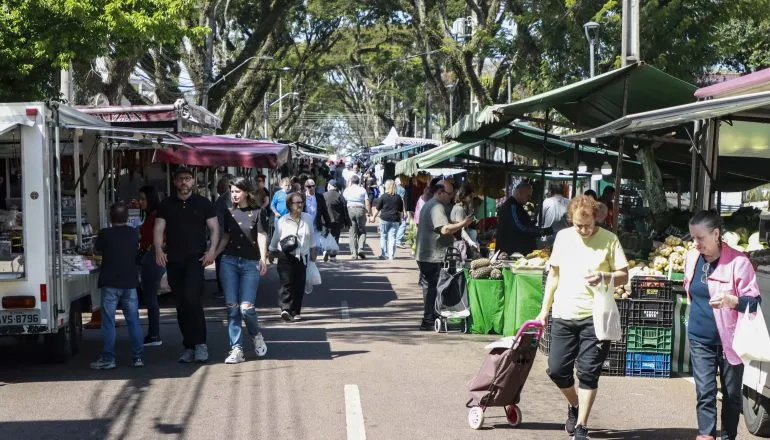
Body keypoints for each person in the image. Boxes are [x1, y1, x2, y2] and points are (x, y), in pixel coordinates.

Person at [535, 195, 629, 440]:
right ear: (571, 220)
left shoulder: (610, 240)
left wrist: (605, 277)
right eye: (578, 225)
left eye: (588, 225)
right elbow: (553, 276)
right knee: (557, 370)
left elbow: (624, 276)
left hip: (596, 316)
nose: (584, 230)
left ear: (596, 218)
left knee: (588, 372)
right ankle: (574, 405)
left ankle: (582, 426)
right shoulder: (563, 238)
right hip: (564, 313)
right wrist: (544, 310)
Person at [684, 210, 762, 440]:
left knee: (731, 395)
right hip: (700, 338)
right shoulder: (691, 258)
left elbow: (754, 302)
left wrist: (732, 300)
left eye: (700, 238)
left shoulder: (739, 262)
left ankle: (728, 437)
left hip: (731, 341)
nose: (695, 243)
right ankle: (706, 435)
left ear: (716, 234)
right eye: (692, 237)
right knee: (705, 392)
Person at [154, 167, 219, 364]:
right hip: (173, 259)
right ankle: (188, 345)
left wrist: (212, 251)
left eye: (188, 179)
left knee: (192, 299)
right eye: (180, 179)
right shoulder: (166, 204)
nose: (184, 182)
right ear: (175, 182)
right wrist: (158, 250)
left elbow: (215, 229)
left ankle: (200, 344)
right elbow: (158, 228)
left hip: (196, 259)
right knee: (181, 304)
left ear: (193, 182)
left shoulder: (203, 203)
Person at [215, 177, 269, 364]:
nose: (234, 195)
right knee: (232, 308)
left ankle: (256, 335)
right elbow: (225, 237)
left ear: (246, 192)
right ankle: (236, 349)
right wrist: (212, 255)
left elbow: (262, 235)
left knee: (247, 308)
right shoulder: (228, 212)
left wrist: (263, 258)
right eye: (232, 191)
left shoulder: (257, 212)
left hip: (250, 263)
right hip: (228, 262)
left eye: (237, 191)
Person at [90, 203, 144, 369]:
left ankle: (108, 358)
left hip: (110, 282)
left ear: (109, 217)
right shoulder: (133, 233)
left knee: (108, 322)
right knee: (133, 320)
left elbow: (96, 251)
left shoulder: (105, 234)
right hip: (129, 282)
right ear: (127, 217)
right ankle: (137, 358)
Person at [415, 180, 471, 331]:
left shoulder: (431, 205)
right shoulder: (436, 206)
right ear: (439, 192)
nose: (451, 196)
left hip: (426, 254)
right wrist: (463, 223)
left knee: (431, 287)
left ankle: (430, 318)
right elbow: (445, 230)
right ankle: (429, 320)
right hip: (433, 255)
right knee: (433, 288)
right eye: (449, 193)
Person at [269, 192, 315, 322]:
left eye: (301, 202)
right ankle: (285, 309)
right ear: (290, 205)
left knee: (299, 285)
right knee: (286, 283)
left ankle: (296, 311)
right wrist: (271, 251)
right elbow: (276, 237)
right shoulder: (283, 220)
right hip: (285, 255)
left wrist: (313, 250)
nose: (300, 205)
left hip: (302, 256)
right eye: (297, 203)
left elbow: (311, 236)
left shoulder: (308, 218)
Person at [138, 186, 164, 347]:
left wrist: (149, 249)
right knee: (150, 298)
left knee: (151, 298)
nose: (140, 202)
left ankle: (154, 334)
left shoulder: (155, 216)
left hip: (152, 258)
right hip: (152, 257)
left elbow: (159, 237)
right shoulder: (152, 215)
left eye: (143, 199)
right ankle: (154, 333)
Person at [496, 182, 549, 255]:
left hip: (517, 252)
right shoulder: (512, 206)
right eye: (528, 196)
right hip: (511, 253)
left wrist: (534, 226)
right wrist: (540, 231)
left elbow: (523, 224)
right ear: (520, 193)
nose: (529, 199)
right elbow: (519, 227)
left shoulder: (517, 206)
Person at [371, 180, 404, 261]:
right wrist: (400, 219)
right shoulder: (398, 197)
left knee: (384, 236)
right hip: (395, 219)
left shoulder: (383, 196)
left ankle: (384, 254)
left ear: (387, 186)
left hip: (384, 218)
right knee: (393, 237)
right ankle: (391, 255)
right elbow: (400, 211)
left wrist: (373, 217)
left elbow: (378, 208)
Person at [213, 176, 233, 300]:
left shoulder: (223, 200)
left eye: (218, 186)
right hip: (223, 234)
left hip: (222, 235)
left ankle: (223, 289)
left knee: (220, 262)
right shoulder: (226, 199)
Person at [323, 179, 350, 262]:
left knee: (326, 235)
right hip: (337, 220)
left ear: (330, 186)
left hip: (325, 219)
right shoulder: (340, 196)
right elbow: (345, 209)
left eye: (328, 186)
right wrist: (347, 221)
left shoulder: (323, 195)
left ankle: (326, 250)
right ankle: (333, 256)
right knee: (335, 236)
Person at [343, 175, 370, 259]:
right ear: (359, 182)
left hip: (350, 209)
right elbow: (367, 202)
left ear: (351, 181)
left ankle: (354, 253)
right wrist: (369, 213)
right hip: (360, 209)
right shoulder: (363, 190)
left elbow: (343, 200)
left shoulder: (347, 190)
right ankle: (361, 248)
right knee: (362, 230)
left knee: (352, 232)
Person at [450, 184, 479, 260]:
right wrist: (471, 242)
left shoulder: (458, 207)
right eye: (470, 196)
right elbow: (461, 230)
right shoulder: (459, 209)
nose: (471, 199)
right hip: (458, 245)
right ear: (463, 196)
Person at [303, 178, 331, 251]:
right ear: (305, 187)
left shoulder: (319, 197)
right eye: (309, 186)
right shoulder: (302, 197)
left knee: (317, 246)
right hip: (304, 226)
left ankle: (312, 262)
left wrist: (328, 224)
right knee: (306, 247)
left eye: (313, 186)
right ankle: (308, 261)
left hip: (316, 225)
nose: (311, 188)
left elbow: (324, 211)